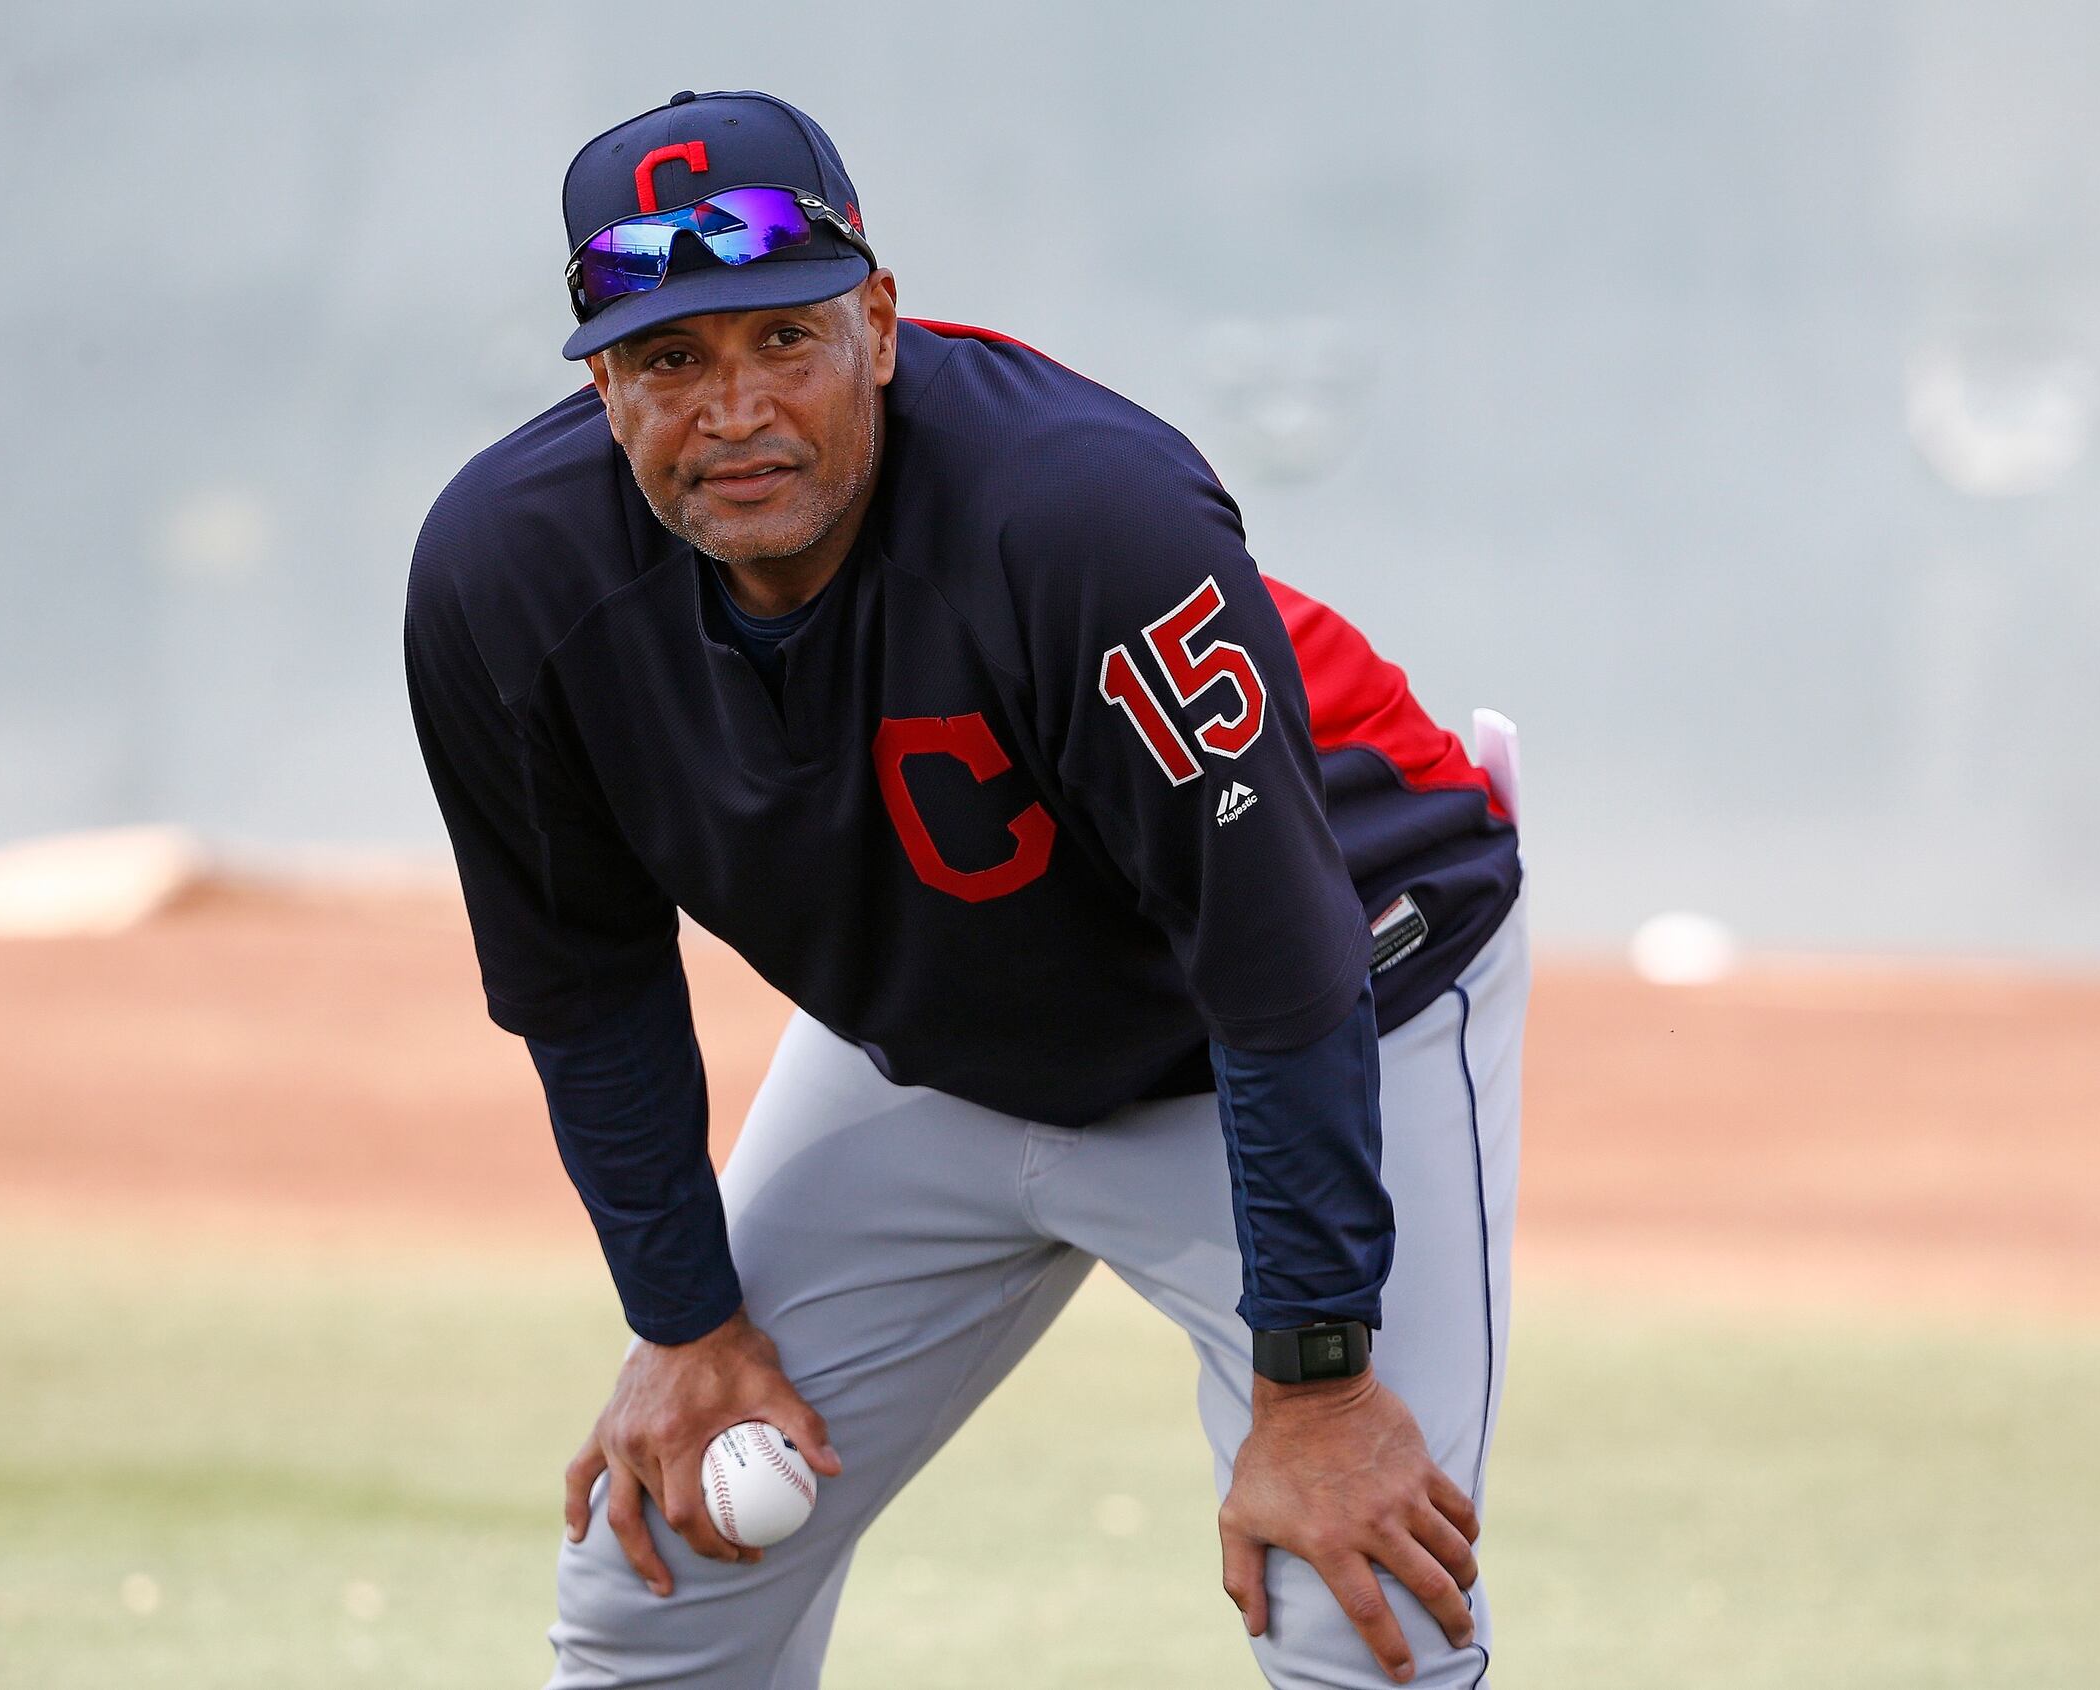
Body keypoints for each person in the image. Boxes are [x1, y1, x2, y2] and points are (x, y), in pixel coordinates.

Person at [404, 88, 1525, 1690]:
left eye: (782, 338)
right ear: (600, 386)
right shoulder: (501, 578)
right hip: (937, 1044)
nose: (734, 410)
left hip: (1328, 991)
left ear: (878, 323)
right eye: (669, 360)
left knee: (1356, 1603)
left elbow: (1277, 957)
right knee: (661, 1565)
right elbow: (587, 984)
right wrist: (685, 1321)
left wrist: (1321, 1386)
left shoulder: (1080, 514)